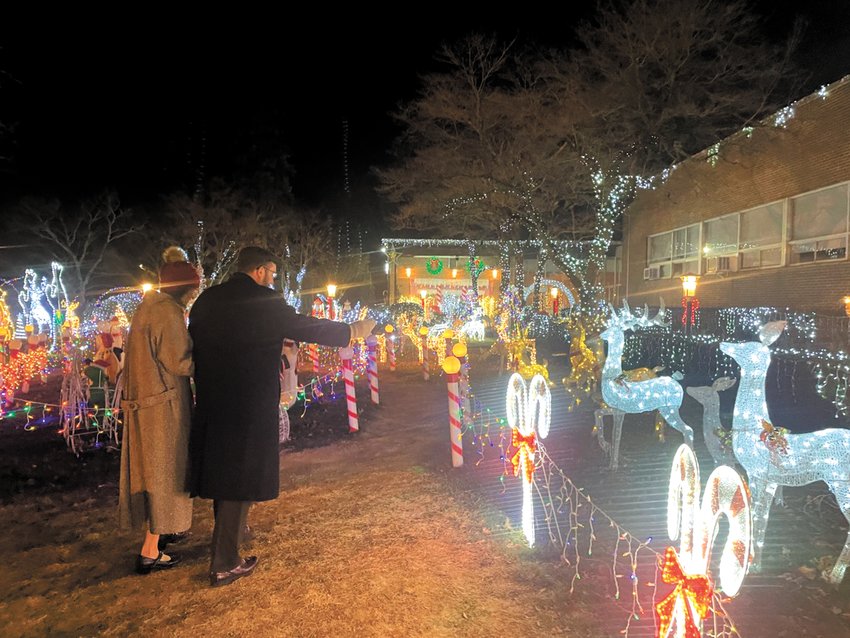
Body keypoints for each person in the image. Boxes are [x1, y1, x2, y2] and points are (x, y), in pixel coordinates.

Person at [189, 246, 375, 587]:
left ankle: (230, 542)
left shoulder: (207, 301)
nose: (273, 279)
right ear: (259, 271)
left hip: (212, 400)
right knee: (239, 477)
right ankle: (224, 562)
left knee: (225, 474)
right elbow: (306, 327)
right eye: (272, 273)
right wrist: (352, 331)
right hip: (249, 403)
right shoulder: (264, 303)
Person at [118, 247, 200, 575]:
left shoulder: (146, 308)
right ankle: (150, 551)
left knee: (154, 476)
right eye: (192, 289)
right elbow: (180, 361)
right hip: (163, 410)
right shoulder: (167, 312)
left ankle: (158, 539)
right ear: (184, 287)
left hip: (146, 406)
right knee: (165, 476)